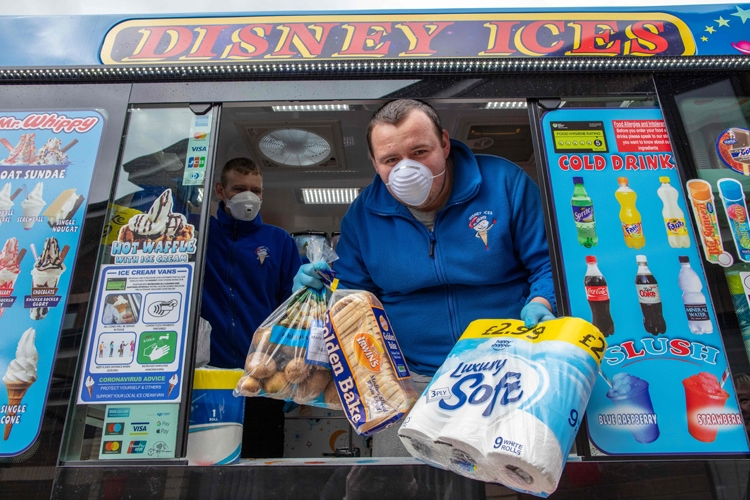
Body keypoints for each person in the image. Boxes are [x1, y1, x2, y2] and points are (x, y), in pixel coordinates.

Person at [295, 99, 555, 457]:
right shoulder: (361, 218)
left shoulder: (504, 183)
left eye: (420, 151)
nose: (407, 170)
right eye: (390, 160)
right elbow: (355, 303)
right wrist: (322, 293)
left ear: (445, 144)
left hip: (508, 372)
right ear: (374, 163)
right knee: (406, 485)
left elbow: (549, 262)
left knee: (516, 476)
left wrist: (543, 301)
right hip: (410, 384)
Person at [201, 157, 302, 458]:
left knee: (263, 465)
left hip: (264, 378)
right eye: (240, 188)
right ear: (221, 190)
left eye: (256, 190)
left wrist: (291, 371)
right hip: (210, 378)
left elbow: (294, 310)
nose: (250, 196)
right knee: (209, 464)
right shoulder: (201, 235)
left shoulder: (279, 241)